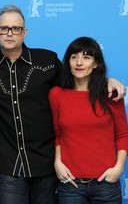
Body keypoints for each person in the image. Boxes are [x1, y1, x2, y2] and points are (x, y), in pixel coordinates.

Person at [0, 5, 126, 204]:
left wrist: (107, 80)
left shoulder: (47, 61)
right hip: (8, 166)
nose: (9, 33)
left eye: (15, 28)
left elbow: (76, 82)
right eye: (4, 28)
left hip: (45, 163)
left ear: (24, 32)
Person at [49, 36, 128, 203]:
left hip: (106, 183)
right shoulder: (57, 94)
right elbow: (58, 135)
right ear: (68, 62)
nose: (79, 62)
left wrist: (119, 168)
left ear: (95, 63)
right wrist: (58, 162)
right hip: (71, 185)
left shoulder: (111, 94)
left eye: (86, 57)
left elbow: (122, 135)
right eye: (74, 57)